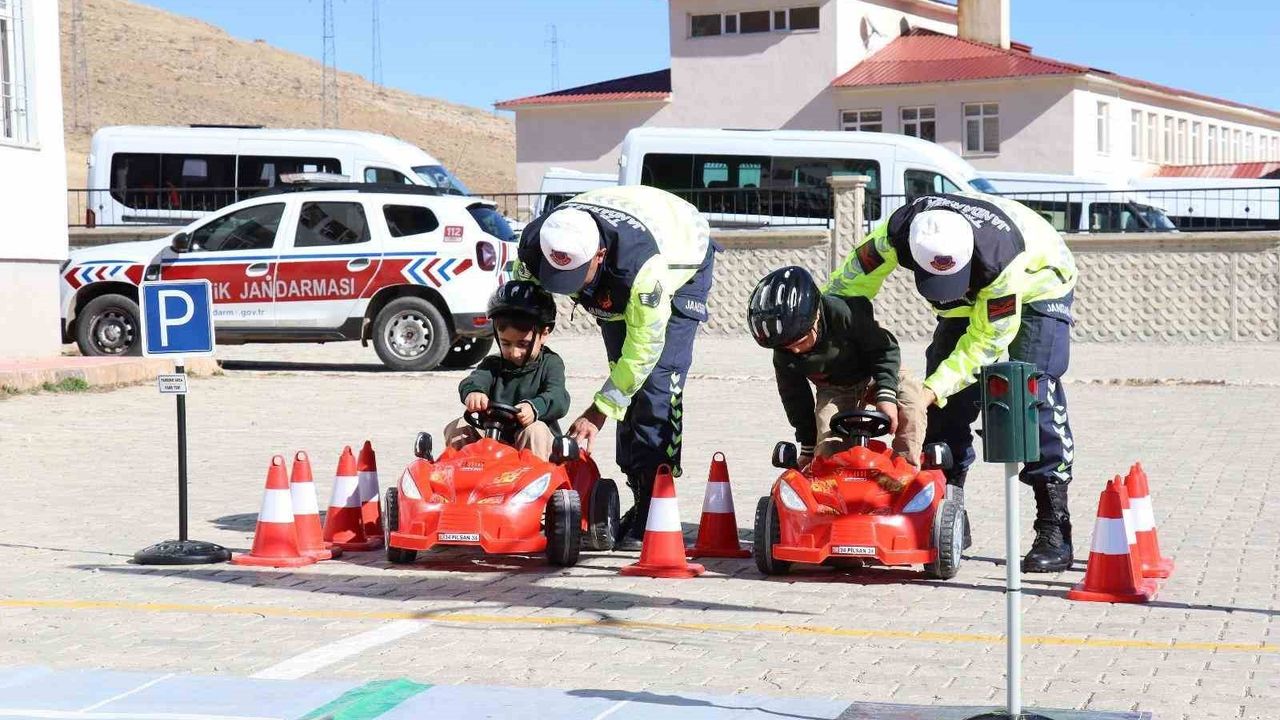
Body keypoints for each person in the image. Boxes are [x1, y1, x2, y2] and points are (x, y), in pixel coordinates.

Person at [827, 192, 1078, 572]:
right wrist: (843, 349)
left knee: (1031, 393)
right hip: (978, 292)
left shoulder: (1001, 260)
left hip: (1039, 284)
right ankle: (948, 513)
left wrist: (930, 389)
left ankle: (1053, 526)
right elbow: (847, 286)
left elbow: (988, 342)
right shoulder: (896, 233)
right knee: (945, 410)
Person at [514, 185, 716, 550]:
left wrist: (597, 412)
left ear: (599, 256)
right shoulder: (534, 244)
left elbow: (643, 352)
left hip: (682, 251)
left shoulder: (641, 271)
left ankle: (653, 505)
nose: (567, 290)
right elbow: (521, 308)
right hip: (616, 271)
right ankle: (635, 485)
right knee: (618, 374)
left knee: (654, 384)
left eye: (576, 278)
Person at [747, 266, 927, 490]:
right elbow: (795, 398)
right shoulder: (784, 350)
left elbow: (885, 350)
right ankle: (835, 493)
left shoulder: (845, 312)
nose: (794, 351)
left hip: (877, 372)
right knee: (827, 442)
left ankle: (906, 475)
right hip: (835, 387)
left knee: (912, 401)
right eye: (787, 347)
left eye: (800, 342)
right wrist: (808, 445)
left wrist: (886, 394)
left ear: (816, 317)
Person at [442, 281, 568, 460]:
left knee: (535, 430)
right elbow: (473, 381)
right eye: (506, 343)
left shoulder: (550, 363)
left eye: (523, 344)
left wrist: (535, 407)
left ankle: (536, 486)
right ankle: (462, 483)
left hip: (536, 448)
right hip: (493, 443)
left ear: (544, 333)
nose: (514, 353)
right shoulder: (493, 364)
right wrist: (474, 392)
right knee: (457, 428)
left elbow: (558, 396)